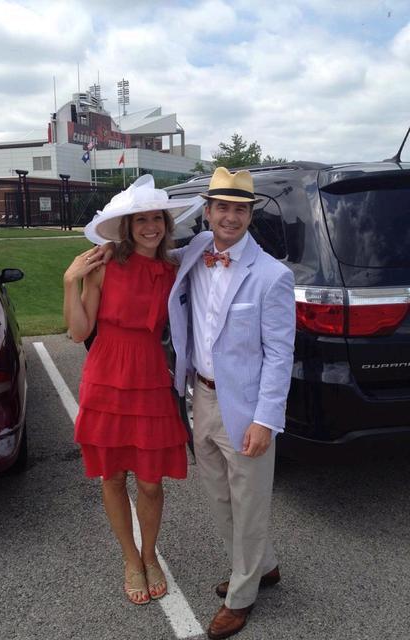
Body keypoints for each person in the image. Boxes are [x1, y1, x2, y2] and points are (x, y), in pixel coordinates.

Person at [168, 166, 296, 640]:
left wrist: (266, 420)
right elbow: (151, 250)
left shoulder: (272, 276)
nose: (230, 217)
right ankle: (262, 566)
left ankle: (241, 598)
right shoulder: (196, 251)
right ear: (207, 212)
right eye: (222, 207)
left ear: (249, 215)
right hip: (199, 396)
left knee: (250, 503)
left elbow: (281, 354)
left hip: (244, 408)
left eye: (239, 209)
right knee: (219, 497)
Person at [63, 175, 198, 606]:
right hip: (105, 375)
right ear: (127, 226)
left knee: (152, 482)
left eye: (156, 218)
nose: (149, 227)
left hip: (150, 375)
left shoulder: (174, 270)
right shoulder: (103, 266)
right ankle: (131, 559)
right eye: (140, 220)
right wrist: (72, 282)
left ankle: (150, 552)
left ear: (165, 223)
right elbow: (79, 330)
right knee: (113, 474)